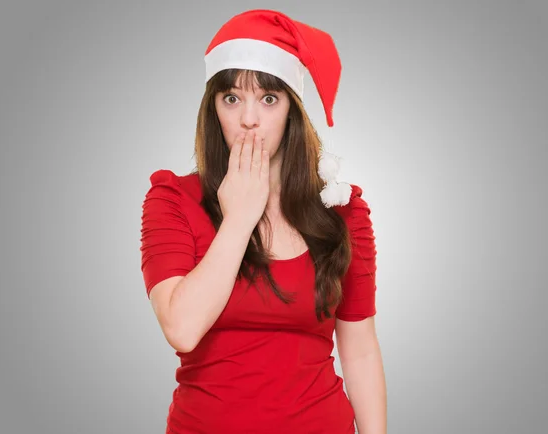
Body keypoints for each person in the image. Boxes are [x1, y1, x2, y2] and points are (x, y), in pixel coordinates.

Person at [139, 9, 386, 434]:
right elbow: (181, 329)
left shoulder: (342, 212)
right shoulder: (172, 200)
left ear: (291, 109)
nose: (249, 119)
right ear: (213, 108)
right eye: (231, 98)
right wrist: (239, 218)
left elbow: (360, 350)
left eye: (268, 99)